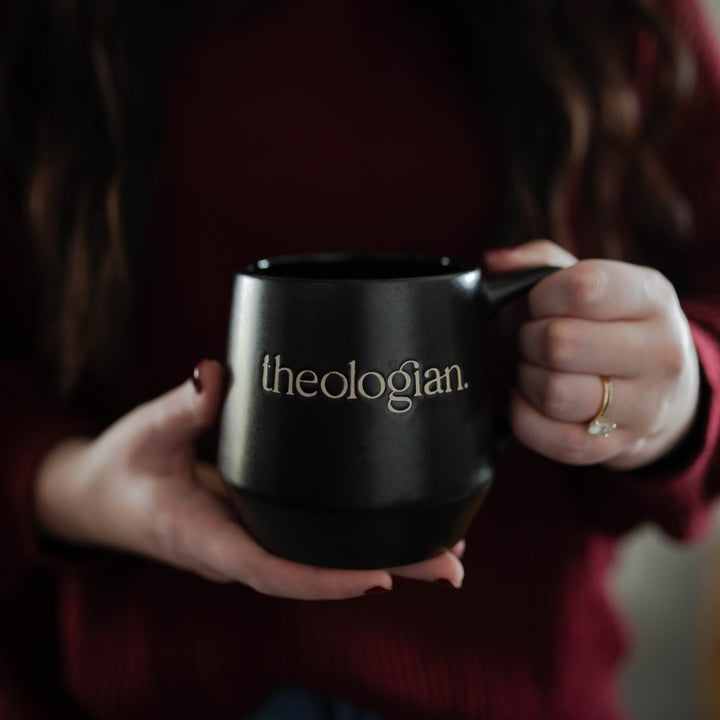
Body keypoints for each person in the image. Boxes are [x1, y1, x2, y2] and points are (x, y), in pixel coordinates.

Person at [1, 0, 719, 718]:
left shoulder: (629, 19)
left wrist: (674, 397)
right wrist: (66, 483)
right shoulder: (44, 25)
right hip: (121, 692)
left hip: (512, 693)